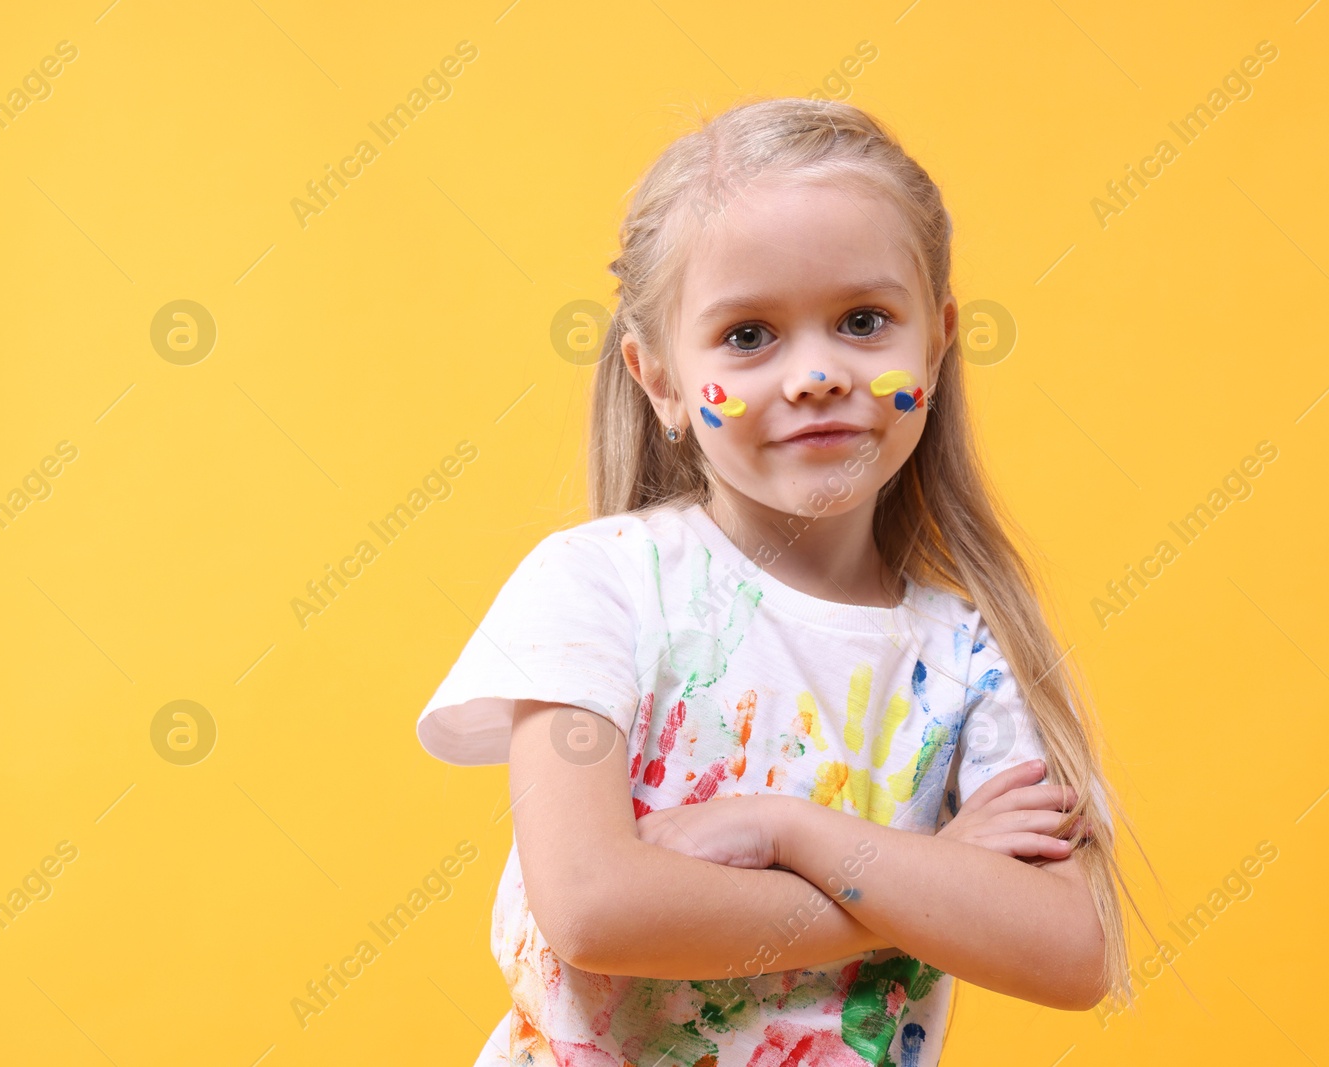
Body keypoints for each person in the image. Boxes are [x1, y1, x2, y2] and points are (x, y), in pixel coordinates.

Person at [416, 95, 1143, 1067]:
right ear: (662, 379)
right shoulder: (599, 588)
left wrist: (782, 826)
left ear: (934, 341)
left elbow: (1068, 949)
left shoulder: (969, 653)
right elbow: (596, 905)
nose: (814, 373)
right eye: (750, 336)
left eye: (862, 320)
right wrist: (930, 885)